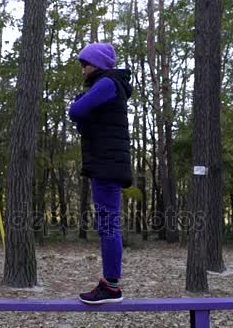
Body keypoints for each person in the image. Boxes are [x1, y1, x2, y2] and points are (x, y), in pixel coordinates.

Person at [68, 42, 133, 304]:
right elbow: (82, 117)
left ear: (98, 63)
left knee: (108, 224)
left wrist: (80, 105)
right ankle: (110, 283)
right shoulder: (106, 85)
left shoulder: (107, 83)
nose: (82, 68)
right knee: (107, 223)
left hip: (107, 164)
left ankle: (112, 286)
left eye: (85, 63)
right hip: (105, 163)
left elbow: (76, 111)